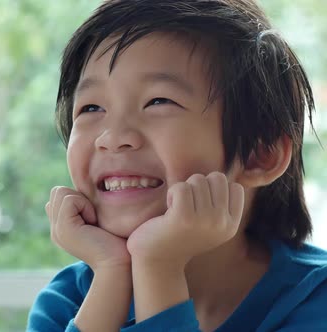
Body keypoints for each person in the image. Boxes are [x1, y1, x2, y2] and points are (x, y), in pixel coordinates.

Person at [26, 0, 327, 331]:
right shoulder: (68, 303)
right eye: (92, 107)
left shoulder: (314, 300)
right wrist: (112, 272)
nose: (112, 137)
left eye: (158, 101)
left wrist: (159, 267)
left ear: (260, 155)